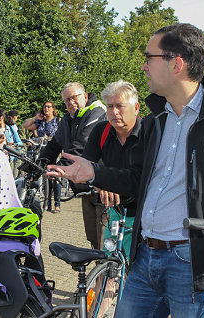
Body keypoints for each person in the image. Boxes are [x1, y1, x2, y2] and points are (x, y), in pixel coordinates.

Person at [47, 23, 204, 317]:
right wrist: (93, 172)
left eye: (149, 58)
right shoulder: (154, 122)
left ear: (177, 64)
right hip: (145, 257)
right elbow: (138, 180)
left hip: (194, 265)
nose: (144, 67)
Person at [40, 82, 107, 249]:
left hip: (103, 186)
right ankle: (100, 273)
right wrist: (39, 164)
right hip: (85, 187)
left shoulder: (97, 112)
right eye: (66, 100)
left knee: (104, 241)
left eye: (74, 98)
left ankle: (108, 275)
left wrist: (59, 168)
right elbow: (54, 144)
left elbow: (81, 145)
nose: (70, 103)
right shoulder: (68, 120)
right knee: (93, 239)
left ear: (84, 96)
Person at [82, 80, 140, 253]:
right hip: (116, 209)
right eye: (109, 106)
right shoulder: (101, 130)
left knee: (141, 268)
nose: (114, 112)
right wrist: (101, 184)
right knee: (110, 263)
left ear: (136, 108)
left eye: (120, 106)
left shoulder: (149, 132)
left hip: (144, 214)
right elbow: (87, 165)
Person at [23, 101, 62, 212]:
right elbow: (25, 125)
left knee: (55, 178)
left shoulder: (58, 121)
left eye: (49, 107)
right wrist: (35, 117)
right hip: (41, 150)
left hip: (54, 150)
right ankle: (47, 203)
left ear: (53, 109)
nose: (46, 109)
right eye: (44, 106)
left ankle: (57, 204)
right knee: (45, 176)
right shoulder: (41, 122)